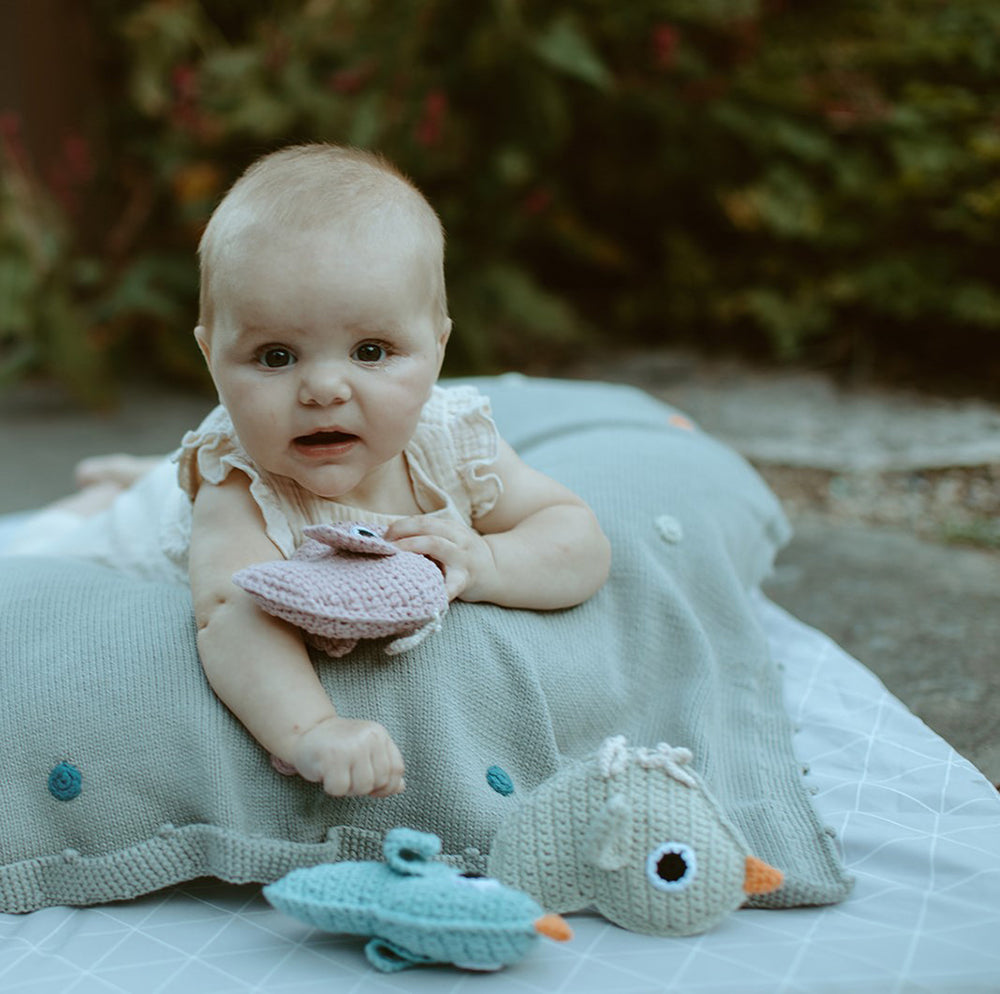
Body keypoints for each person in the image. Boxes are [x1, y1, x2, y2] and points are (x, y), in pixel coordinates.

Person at [14, 144, 611, 799]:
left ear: (438, 348)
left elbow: (575, 534)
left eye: (372, 351)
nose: (324, 388)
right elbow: (229, 618)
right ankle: (118, 493)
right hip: (145, 536)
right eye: (275, 357)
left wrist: (491, 561)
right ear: (212, 359)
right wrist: (312, 731)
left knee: (153, 477)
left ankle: (136, 473)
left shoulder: (451, 440)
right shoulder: (237, 483)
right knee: (46, 544)